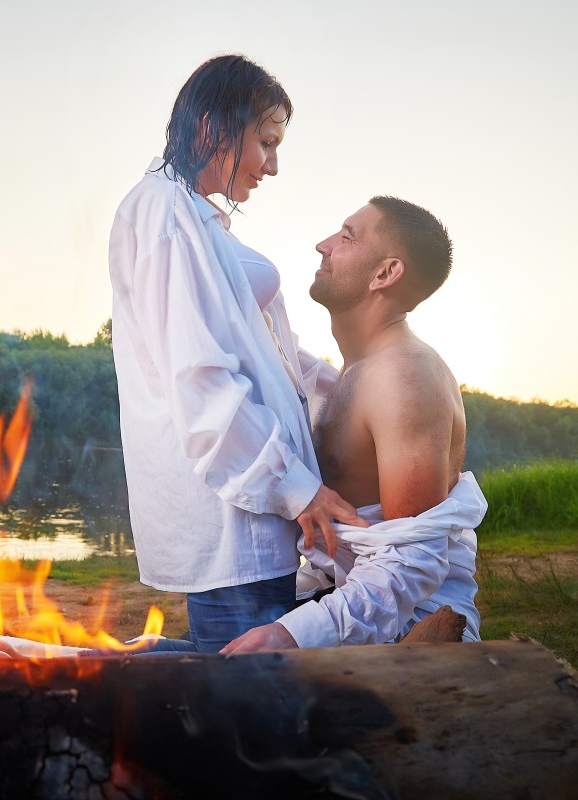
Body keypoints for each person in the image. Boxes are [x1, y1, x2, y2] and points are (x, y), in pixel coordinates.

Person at [108, 55, 364, 654]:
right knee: (255, 723)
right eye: (267, 142)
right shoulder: (163, 212)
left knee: (246, 695)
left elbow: (273, 355)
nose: (273, 165)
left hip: (256, 518)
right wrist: (296, 489)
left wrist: (360, 388)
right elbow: (201, 379)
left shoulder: (199, 220)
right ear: (213, 128)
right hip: (235, 519)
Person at [223, 196, 486, 654]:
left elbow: (411, 564)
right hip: (349, 601)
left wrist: (291, 633)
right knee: (144, 657)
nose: (323, 245)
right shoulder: (354, 370)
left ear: (385, 274)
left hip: (407, 631)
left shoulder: (404, 376)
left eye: (346, 237)